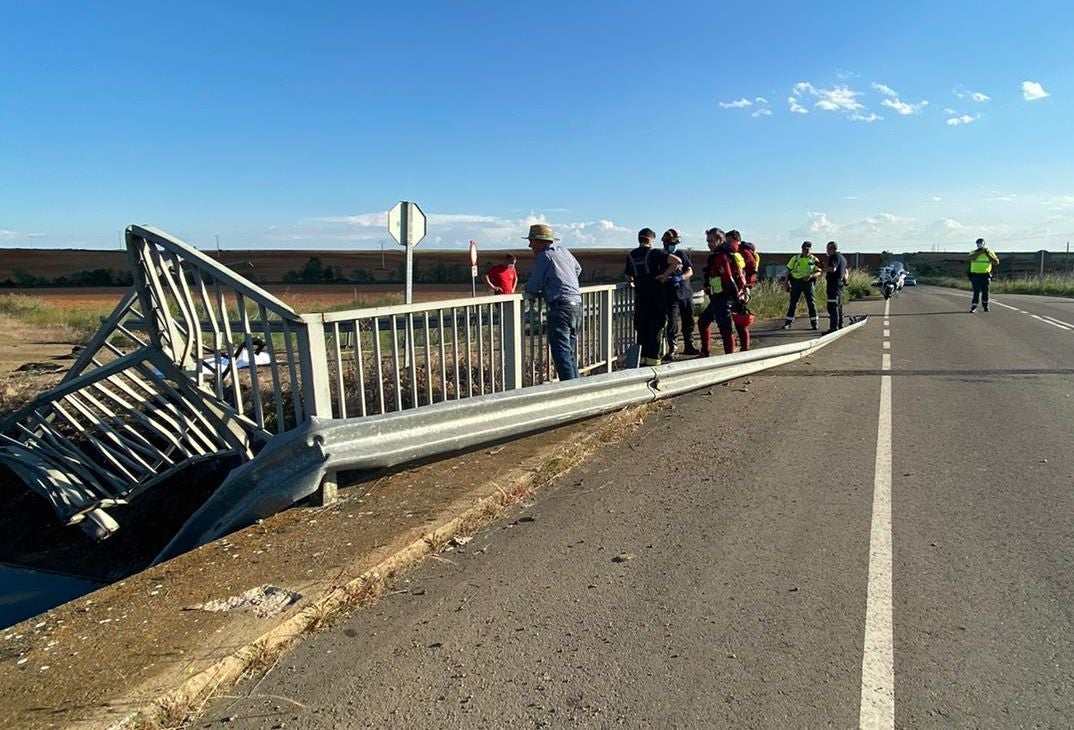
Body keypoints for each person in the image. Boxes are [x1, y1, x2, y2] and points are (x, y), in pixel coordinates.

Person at [522, 223, 583, 380]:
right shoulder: (564, 251)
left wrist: (531, 287)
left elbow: (533, 287)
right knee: (569, 353)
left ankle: (571, 393)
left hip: (560, 308)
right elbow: (578, 269)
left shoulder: (545, 257)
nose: (530, 245)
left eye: (532, 241)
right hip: (576, 305)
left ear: (542, 243)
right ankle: (579, 389)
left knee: (562, 355)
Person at [625, 228, 682, 366]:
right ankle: (653, 361)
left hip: (641, 297)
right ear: (651, 239)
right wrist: (665, 275)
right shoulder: (655, 253)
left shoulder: (631, 255)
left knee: (641, 328)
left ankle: (641, 360)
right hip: (657, 297)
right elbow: (677, 261)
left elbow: (628, 276)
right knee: (656, 327)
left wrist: (634, 282)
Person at [698, 228, 746, 356]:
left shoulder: (721, 257)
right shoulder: (718, 255)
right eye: (707, 241)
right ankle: (705, 351)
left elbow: (728, 278)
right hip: (717, 297)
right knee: (703, 322)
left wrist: (736, 298)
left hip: (724, 298)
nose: (709, 243)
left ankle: (729, 358)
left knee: (725, 330)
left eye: (712, 241)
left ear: (720, 240)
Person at [660, 229, 699, 359]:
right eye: (672, 243)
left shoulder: (681, 254)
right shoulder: (662, 257)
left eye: (676, 243)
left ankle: (689, 345)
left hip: (685, 293)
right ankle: (673, 348)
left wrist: (681, 277)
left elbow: (690, 271)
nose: (674, 246)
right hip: (670, 295)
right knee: (672, 323)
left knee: (688, 321)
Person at [782, 240, 822, 330]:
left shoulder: (814, 259)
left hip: (808, 283)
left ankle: (814, 323)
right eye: (804, 249)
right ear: (801, 249)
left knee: (811, 303)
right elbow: (788, 271)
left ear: (811, 249)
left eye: (808, 249)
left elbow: (819, 271)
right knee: (793, 303)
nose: (806, 251)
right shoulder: (795, 258)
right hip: (796, 282)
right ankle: (788, 322)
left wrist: (811, 275)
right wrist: (785, 282)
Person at [725, 230, 753, 351]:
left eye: (730, 241)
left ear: (737, 240)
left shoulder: (744, 253)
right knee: (735, 320)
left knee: (740, 321)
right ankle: (742, 347)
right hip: (733, 290)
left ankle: (745, 349)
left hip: (741, 290)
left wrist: (747, 286)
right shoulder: (730, 252)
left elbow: (752, 269)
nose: (727, 244)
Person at [967, 237, 1000, 312]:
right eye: (978, 243)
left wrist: (988, 254)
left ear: (984, 244)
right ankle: (974, 305)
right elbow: (971, 258)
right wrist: (981, 252)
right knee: (976, 291)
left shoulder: (989, 252)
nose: (979, 245)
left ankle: (986, 305)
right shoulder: (973, 252)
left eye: (981, 243)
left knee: (986, 291)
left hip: (985, 274)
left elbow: (996, 262)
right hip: (975, 275)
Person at [823, 240, 849, 332]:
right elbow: (846, 271)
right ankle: (840, 324)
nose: (826, 251)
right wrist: (845, 280)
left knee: (832, 306)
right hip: (840, 285)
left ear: (831, 249)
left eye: (827, 249)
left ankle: (834, 327)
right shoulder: (843, 258)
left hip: (833, 285)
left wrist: (823, 268)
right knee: (839, 305)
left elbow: (833, 269)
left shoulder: (833, 256)